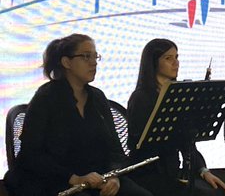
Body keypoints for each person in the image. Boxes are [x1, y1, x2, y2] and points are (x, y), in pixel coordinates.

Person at [4, 34, 152, 196]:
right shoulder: (45, 98)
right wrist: (73, 178)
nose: (94, 62)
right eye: (86, 56)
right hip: (54, 179)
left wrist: (114, 176)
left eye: (95, 56)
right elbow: (31, 154)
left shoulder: (97, 97)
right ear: (67, 62)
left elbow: (115, 150)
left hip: (96, 177)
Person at [126, 39, 225, 196]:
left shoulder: (179, 94)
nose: (176, 63)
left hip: (172, 173)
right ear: (153, 63)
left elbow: (187, 143)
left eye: (177, 57)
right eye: (168, 58)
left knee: (218, 191)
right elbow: (138, 144)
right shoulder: (141, 98)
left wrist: (203, 170)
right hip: (148, 175)